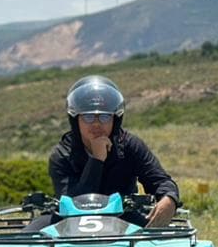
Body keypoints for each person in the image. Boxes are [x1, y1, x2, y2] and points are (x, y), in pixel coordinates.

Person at [48, 75, 180, 228]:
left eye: (105, 117)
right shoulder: (62, 154)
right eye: (88, 117)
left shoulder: (130, 145)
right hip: (71, 224)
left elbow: (160, 180)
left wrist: (169, 198)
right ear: (75, 119)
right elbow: (73, 203)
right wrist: (97, 160)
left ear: (115, 119)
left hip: (124, 218)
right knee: (25, 239)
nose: (97, 124)